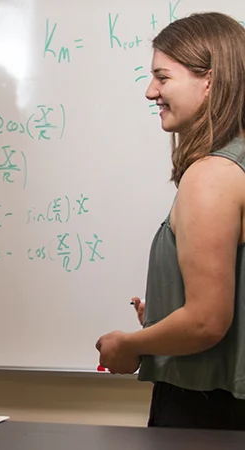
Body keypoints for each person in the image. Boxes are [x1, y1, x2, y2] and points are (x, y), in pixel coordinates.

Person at [96, 12, 245, 430]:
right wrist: (164, 322)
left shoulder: (213, 175)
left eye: (163, 77)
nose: (150, 92)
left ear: (210, 81)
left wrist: (130, 344)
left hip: (208, 412)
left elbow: (205, 321)